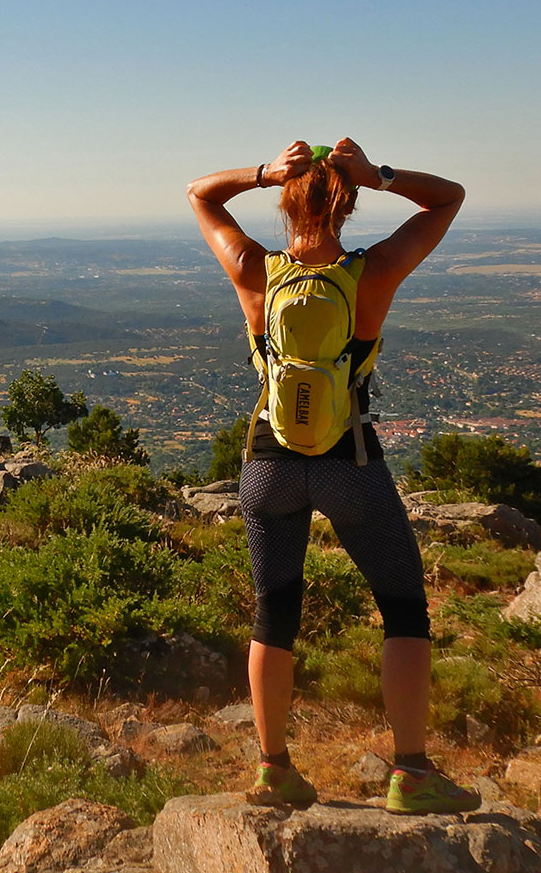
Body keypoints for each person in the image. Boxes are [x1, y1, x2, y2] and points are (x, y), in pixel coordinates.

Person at [187, 137, 479, 814]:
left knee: (274, 614)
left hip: (268, 463)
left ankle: (272, 770)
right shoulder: (370, 274)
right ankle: (410, 772)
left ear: (287, 200)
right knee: (404, 608)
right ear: (346, 203)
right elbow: (449, 197)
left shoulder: (255, 271)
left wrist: (262, 173)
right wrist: (378, 175)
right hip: (349, 461)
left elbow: (201, 193)